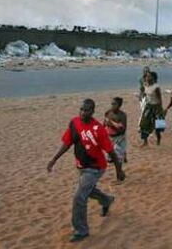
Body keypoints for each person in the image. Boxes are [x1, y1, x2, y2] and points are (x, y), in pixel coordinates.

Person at [47, 99, 125, 243]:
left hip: (95, 167)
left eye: (87, 110)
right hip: (81, 166)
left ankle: (81, 230)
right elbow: (67, 143)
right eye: (81, 109)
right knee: (88, 190)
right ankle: (107, 200)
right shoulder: (74, 123)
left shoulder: (98, 129)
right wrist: (54, 159)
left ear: (93, 111)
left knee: (78, 197)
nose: (83, 112)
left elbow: (111, 152)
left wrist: (119, 171)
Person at [139, 72, 164, 146]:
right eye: (146, 76)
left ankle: (159, 139)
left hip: (156, 107)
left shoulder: (156, 87)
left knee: (158, 126)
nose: (147, 78)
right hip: (148, 106)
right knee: (143, 123)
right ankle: (145, 142)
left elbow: (160, 99)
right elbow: (144, 93)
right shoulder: (145, 85)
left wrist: (160, 110)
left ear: (153, 77)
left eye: (149, 76)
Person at [104, 97, 128, 164]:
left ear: (119, 105)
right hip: (110, 138)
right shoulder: (108, 113)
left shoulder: (122, 115)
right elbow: (104, 124)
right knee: (110, 160)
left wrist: (112, 124)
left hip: (119, 138)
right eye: (112, 104)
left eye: (114, 104)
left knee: (119, 161)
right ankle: (123, 154)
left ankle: (123, 155)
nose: (112, 106)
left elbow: (123, 130)